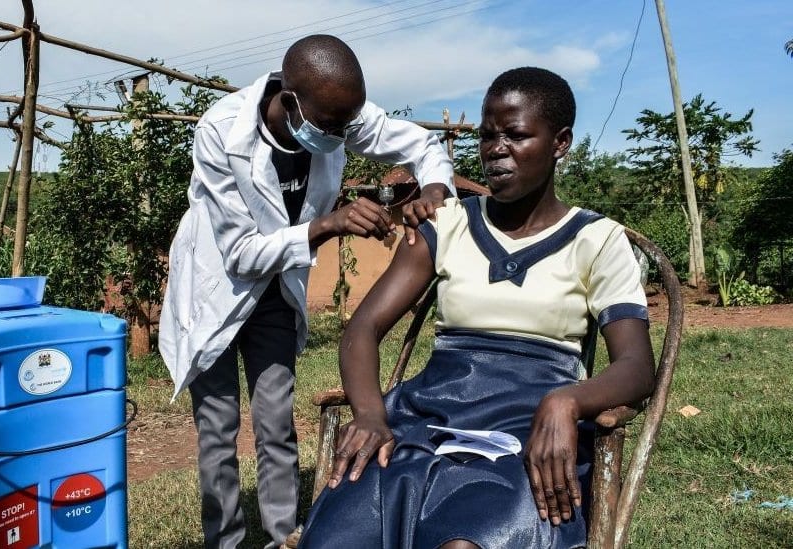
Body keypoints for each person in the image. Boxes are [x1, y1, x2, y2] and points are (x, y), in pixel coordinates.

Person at [298, 67, 656, 548]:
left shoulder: (597, 240)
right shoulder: (445, 225)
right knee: (343, 531)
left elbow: (636, 366)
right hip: (429, 417)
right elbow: (362, 328)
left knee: (467, 541)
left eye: (515, 134)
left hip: (528, 430)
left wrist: (566, 401)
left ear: (560, 142)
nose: (495, 149)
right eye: (487, 136)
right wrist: (369, 415)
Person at [158, 34, 455, 549]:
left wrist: (434, 187)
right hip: (217, 289)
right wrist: (326, 224)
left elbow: (423, 145)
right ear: (291, 102)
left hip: (274, 291)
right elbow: (241, 253)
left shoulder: (335, 114)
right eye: (333, 127)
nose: (342, 135)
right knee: (218, 431)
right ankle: (223, 541)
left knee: (275, 422)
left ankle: (283, 538)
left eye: (347, 125)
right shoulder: (221, 132)